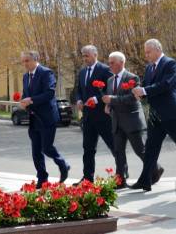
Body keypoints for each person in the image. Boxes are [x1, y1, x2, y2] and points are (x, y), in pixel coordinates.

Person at [130, 39, 176, 192]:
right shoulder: (149, 68)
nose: (146, 55)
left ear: (157, 49)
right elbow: (148, 89)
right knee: (150, 148)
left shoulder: (170, 63)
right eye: (146, 52)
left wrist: (144, 91)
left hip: (172, 114)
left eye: (148, 52)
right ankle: (145, 180)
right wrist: (139, 93)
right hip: (156, 115)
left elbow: (166, 84)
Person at [101, 51, 161, 189]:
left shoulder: (132, 78)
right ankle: (120, 180)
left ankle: (156, 169)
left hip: (132, 121)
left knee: (140, 150)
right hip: (117, 121)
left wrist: (112, 100)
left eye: (112, 62)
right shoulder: (110, 80)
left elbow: (132, 98)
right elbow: (112, 97)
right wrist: (108, 105)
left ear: (121, 63)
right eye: (108, 62)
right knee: (118, 152)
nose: (109, 65)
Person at [18, 51, 70, 186]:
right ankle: (42, 178)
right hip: (33, 118)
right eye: (23, 61)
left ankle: (63, 164)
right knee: (36, 151)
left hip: (47, 117)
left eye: (27, 60)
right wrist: (24, 103)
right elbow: (26, 94)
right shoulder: (25, 77)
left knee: (46, 148)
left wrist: (31, 100)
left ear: (36, 59)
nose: (25, 64)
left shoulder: (46, 73)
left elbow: (49, 93)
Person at [72, 45, 114, 183]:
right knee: (88, 149)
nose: (84, 58)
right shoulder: (83, 72)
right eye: (83, 56)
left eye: (87, 55)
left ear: (95, 55)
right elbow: (78, 89)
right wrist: (78, 99)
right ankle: (87, 178)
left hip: (103, 116)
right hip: (88, 117)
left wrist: (96, 99)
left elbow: (110, 89)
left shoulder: (105, 69)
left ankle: (122, 175)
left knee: (113, 146)